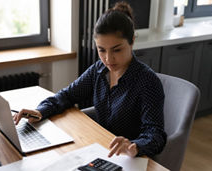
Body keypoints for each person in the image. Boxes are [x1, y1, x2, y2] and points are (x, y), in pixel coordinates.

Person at [13, 1, 166, 158]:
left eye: (117, 50)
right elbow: (67, 95)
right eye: (101, 50)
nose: (108, 59)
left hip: (131, 159)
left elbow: (156, 135)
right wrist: (40, 111)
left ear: (132, 40)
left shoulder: (147, 81)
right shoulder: (98, 70)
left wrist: (134, 146)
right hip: (100, 149)